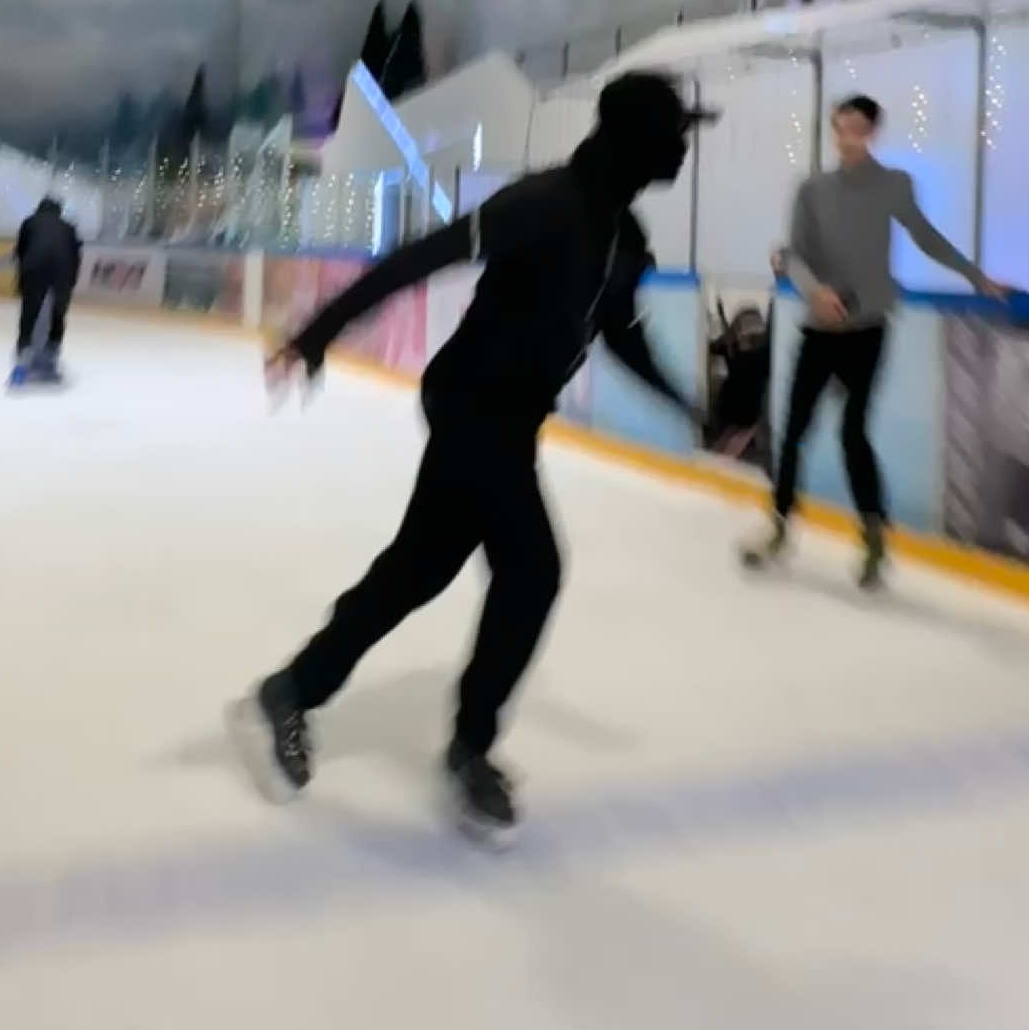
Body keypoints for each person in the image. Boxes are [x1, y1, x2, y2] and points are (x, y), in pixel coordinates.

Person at [228, 71, 718, 844]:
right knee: (534, 565)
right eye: (675, 134)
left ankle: (292, 687)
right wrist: (317, 334)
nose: (684, 149)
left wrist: (689, 405)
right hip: (468, 403)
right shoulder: (542, 203)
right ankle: (470, 746)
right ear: (633, 138)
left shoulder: (627, 240)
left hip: (514, 418)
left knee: (418, 569)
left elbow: (619, 333)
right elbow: (417, 259)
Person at [742, 95, 1006, 589]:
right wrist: (813, 290)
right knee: (793, 428)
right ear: (833, 130)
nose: (849, 137)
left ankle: (873, 535)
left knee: (852, 432)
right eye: (842, 128)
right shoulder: (812, 190)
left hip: (867, 329)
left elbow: (925, 237)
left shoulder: (894, 185)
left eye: (859, 129)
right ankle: (778, 526)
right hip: (820, 330)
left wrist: (975, 275)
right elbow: (794, 254)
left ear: (872, 132)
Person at [12, 197, 82, 384]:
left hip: (33, 269)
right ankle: (51, 353)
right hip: (61, 271)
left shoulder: (29, 222)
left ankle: (22, 357)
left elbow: (20, 252)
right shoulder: (68, 228)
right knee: (58, 315)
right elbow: (75, 257)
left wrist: (22, 281)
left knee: (29, 313)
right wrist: (70, 284)